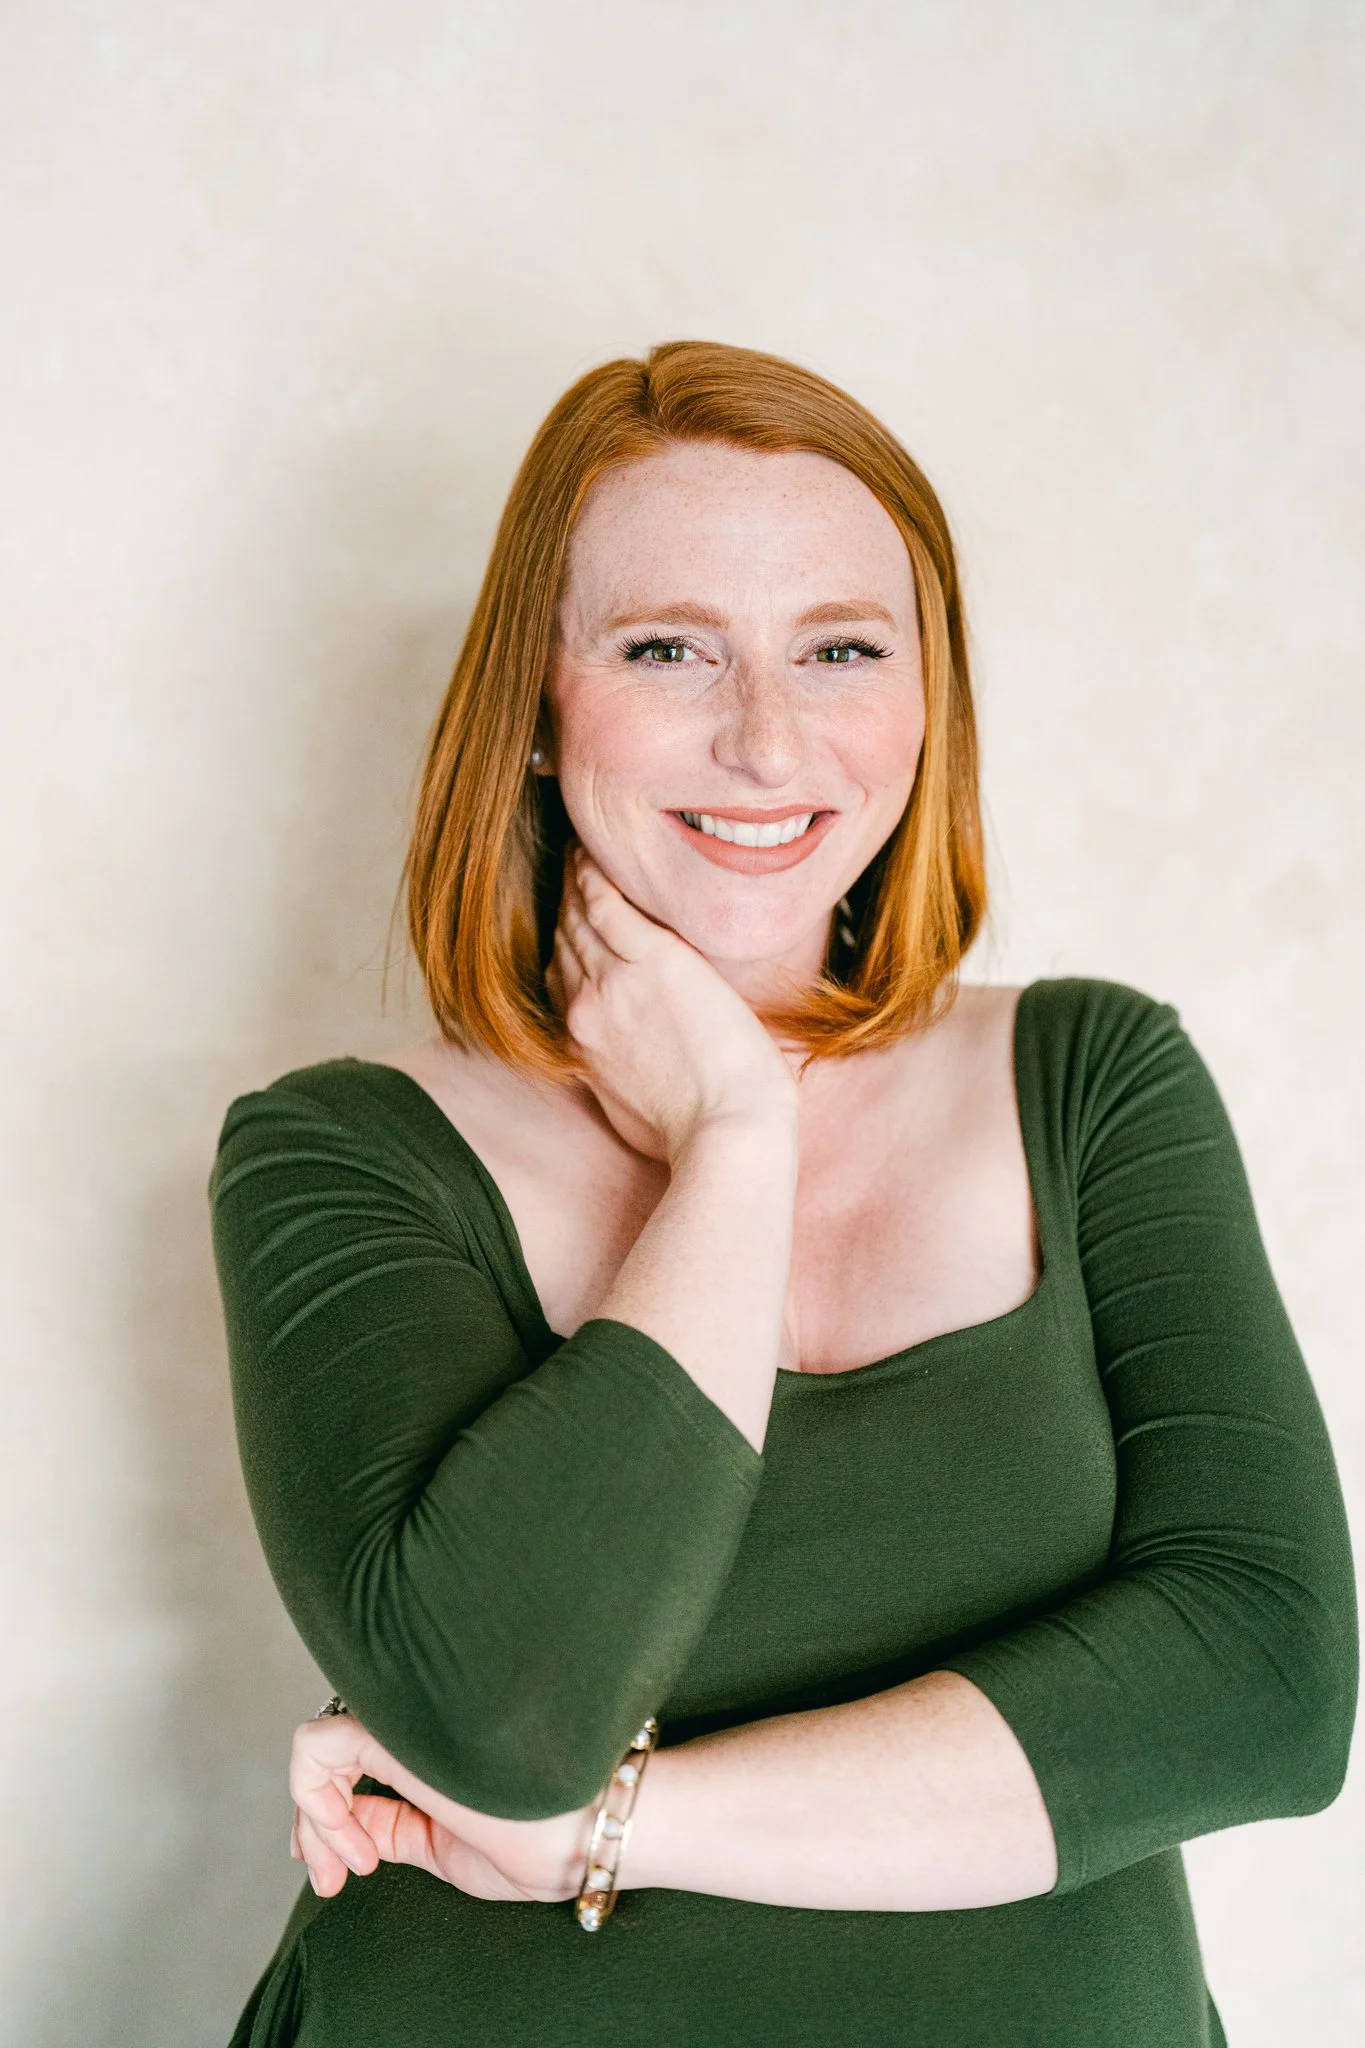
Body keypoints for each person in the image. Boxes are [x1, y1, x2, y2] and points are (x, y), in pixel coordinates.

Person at [211, 341, 1357, 2048]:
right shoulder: (341, 1153)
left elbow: (1267, 1684)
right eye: (668, 648)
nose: (764, 741)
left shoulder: (1094, 1080)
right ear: (536, 709)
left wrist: (616, 1830)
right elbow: (502, 1720)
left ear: (925, 704)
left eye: (840, 649)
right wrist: (737, 1138)